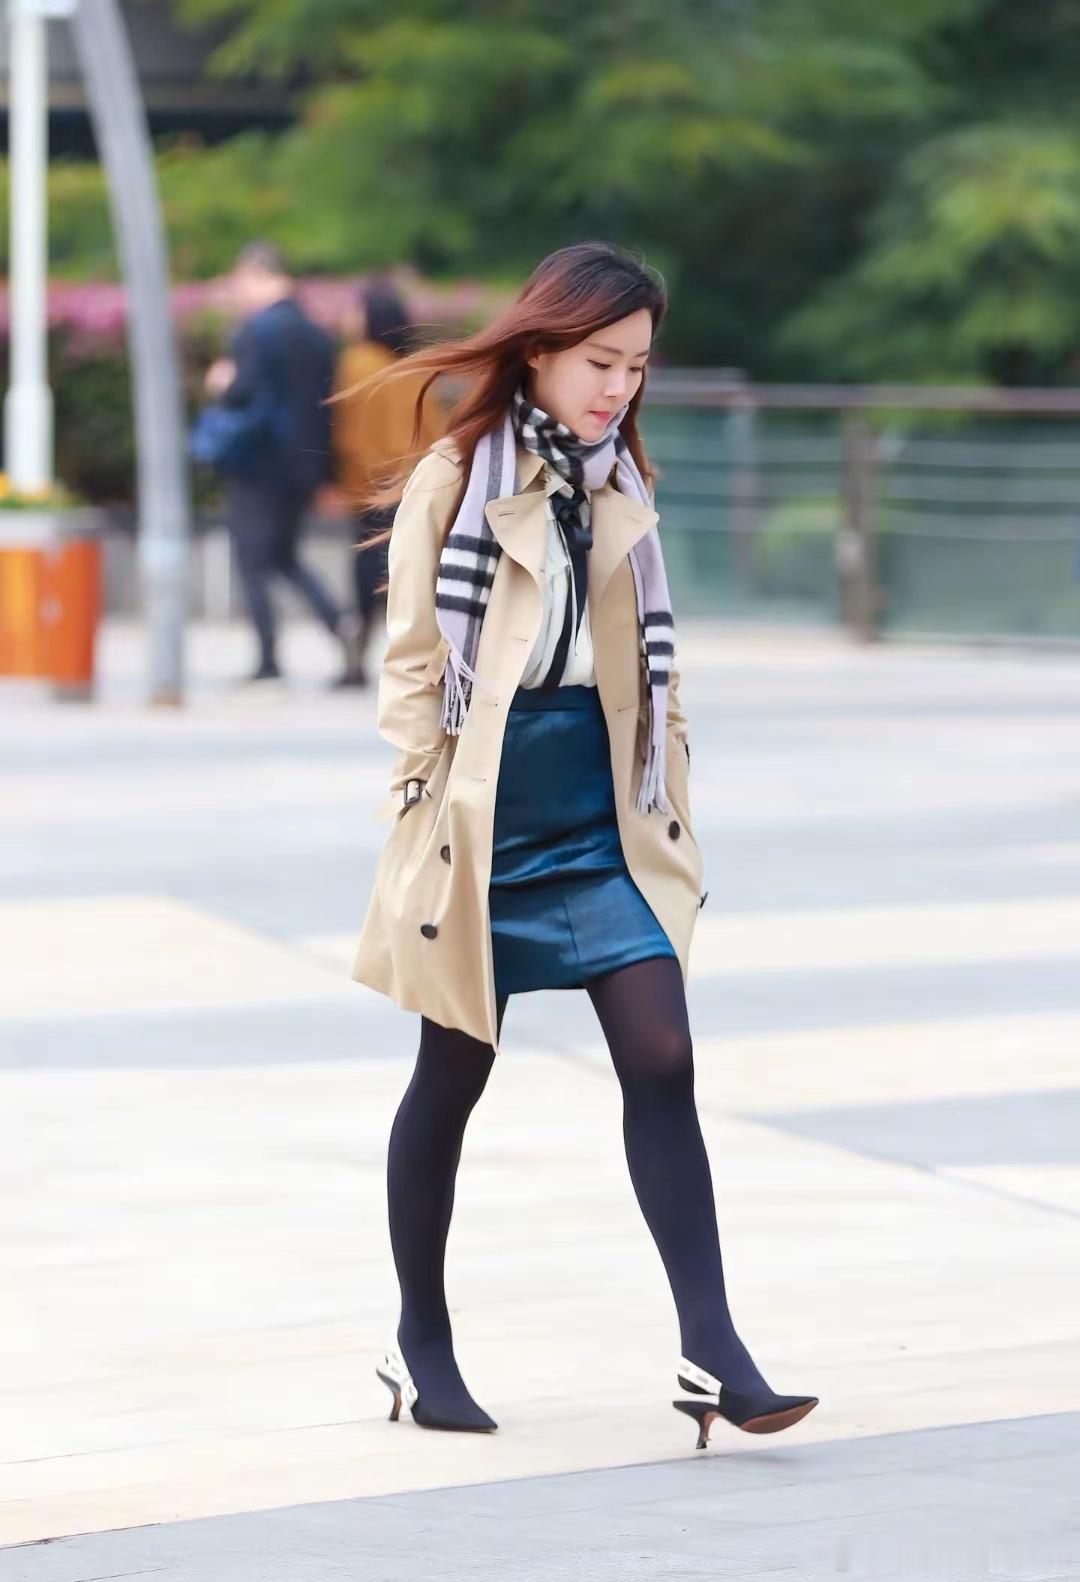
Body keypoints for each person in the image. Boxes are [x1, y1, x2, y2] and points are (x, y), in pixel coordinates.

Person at [348, 242, 818, 1449]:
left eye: (637, 367)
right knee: (452, 1076)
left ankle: (714, 1347)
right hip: (483, 814)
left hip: (603, 811)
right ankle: (419, 1338)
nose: (620, 386)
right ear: (542, 349)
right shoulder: (456, 477)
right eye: (602, 361)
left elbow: (650, 656)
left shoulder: (618, 483)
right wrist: (424, 801)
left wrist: (673, 767)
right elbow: (412, 664)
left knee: (662, 1053)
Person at [204, 241, 363, 683]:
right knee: (284, 556)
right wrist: (325, 473)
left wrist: (222, 382)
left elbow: (243, 393)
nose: (238, 291)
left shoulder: (256, 332)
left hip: (259, 464)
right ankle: (339, 622)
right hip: (304, 466)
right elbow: (326, 408)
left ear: (260, 275)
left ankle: (268, 659)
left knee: (253, 559)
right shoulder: (316, 335)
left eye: (241, 281)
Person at [329, 278, 445, 686]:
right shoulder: (415, 368)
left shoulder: (358, 361)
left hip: (374, 487)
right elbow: (436, 430)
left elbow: (349, 431)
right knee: (414, 578)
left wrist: (345, 483)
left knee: (366, 577)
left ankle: (356, 660)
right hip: (419, 485)